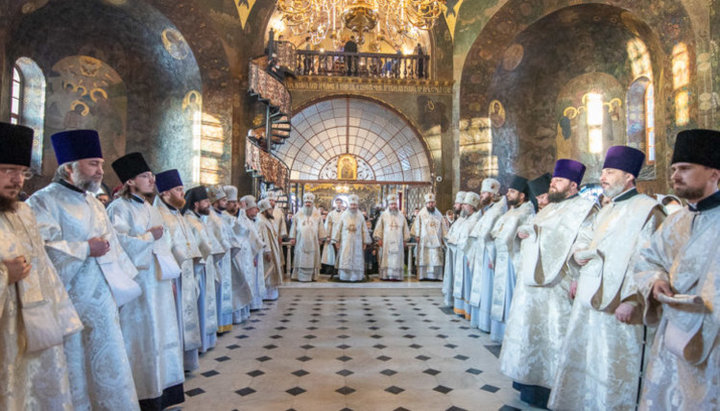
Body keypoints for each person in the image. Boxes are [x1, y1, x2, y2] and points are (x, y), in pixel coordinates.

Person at [28, 129, 140, 409]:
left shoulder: (94, 203)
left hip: (102, 301)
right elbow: (40, 249)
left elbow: (114, 246)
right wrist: (84, 249)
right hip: (69, 303)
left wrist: (123, 288)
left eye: (101, 164)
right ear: (69, 168)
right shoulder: (43, 201)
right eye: (93, 164)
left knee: (108, 365)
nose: (101, 171)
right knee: (74, 367)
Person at [549, 146, 666, 410]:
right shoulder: (606, 210)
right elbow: (588, 242)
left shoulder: (647, 209)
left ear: (629, 177)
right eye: (602, 172)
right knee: (589, 361)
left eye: (610, 172)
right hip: (589, 299)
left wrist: (634, 299)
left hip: (618, 308)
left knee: (612, 368)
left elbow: (649, 259)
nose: (603, 177)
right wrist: (577, 269)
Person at [499, 159, 597, 408]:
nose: (553, 184)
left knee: (554, 337)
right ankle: (528, 384)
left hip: (558, 287)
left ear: (573, 185)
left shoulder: (584, 209)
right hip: (531, 288)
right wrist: (525, 234)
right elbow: (533, 231)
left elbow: (584, 244)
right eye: (553, 180)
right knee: (531, 335)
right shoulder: (551, 208)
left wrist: (577, 277)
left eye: (558, 181)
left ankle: (554, 390)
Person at [634, 129, 720, 409]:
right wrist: (656, 281)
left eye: (684, 168)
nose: (675, 175)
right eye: (673, 169)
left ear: (714, 174)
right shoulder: (675, 222)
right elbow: (648, 258)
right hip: (673, 335)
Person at [0, 123, 82, 410]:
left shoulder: (23, 211)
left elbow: (44, 266)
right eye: (7, 169)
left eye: (22, 171)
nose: (17, 179)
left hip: (36, 329)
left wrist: (60, 320)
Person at [107, 152, 185, 410]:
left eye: (151, 176)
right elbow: (118, 244)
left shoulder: (149, 207)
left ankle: (164, 387)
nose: (152, 180)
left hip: (159, 280)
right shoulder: (119, 208)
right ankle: (143, 392)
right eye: (145, 176)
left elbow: (166, 241)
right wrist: (149, 239)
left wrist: (168, 266)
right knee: (143, 336)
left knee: (162, 332)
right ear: (130, 181)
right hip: (140, 283)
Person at [154, 169, 203, 372]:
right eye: (178, 189)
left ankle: (186, 360)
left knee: (186, 316)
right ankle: (175, 364)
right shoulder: (159, 215)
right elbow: (164, 248)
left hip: (188, 273)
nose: (182, 193)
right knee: (175, 318)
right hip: (173, 275)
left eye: (182, 189)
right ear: (165, 192)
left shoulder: (177, 214)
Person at [488, 175, 534, 342]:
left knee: (510, 294)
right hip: (502, 258)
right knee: (501, 295)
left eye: (512, 191)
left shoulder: (528, 210)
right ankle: (500, 332)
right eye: (508, 191)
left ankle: (511, 333)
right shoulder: (512, 211)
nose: (508, 194)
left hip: (513, 259)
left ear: (522, 195)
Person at [182, 186, 218, 353]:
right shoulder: (188, 220)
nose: (208, 204)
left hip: (205, 268)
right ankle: (200, 342)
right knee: (200, 304)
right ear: (196, 204)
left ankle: (206, 340)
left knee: (205, 303)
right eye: (205, 201)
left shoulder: (198, 220)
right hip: (197, 269)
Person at [467, 178, 506, 331]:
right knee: (481, 286)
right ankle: (481, 320)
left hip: (489, 255)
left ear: (492, 193)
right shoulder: (487, 210)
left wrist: (493, 256)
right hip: (481, 253)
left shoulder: (498, 210)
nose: (481, 195)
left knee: (487, 287)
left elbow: (496, 235)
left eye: (484, 192)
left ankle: (488, 323)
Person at [221, 185, 254, 324]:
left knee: (243, 282)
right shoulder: (223, 217)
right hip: (231, 257)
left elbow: (247, 232)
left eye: (235, 203)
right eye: (231, 203)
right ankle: (233, 316)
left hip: (243, 256)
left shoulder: (240, 216)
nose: (234, 206)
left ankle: (243, 312)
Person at [452, 191, 483, 318]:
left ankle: (468, 310)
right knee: (462, 283)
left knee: (467, 283)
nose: (463, 206)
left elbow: (471, 240)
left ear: (472, 206)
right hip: (461, 254)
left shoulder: (475, 220)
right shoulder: (466, 219)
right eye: (463, 204)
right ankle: (461, 308)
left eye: (465, 204)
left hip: (468, 256)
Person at [332, 194, 371, 282]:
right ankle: (345, 276)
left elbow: (364, 229)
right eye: (351, 205)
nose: (353, 206)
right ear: (348, 205)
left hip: (358, 242)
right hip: (346, 242)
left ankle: (356, 277)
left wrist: (365, 242)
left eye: (355, 205)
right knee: (345, 257)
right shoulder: (344, 215)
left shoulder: (360, 216)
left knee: (356, 258)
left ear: (357, 205)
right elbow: (338, 228)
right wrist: (336, 240)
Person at [289, 193, 326, 282]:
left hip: (313, 241)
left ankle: (313, 276)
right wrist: (292, 237)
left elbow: (321, 227)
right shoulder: (299, 213)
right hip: (301, 240)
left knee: (312, 258)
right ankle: (299, 276)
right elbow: (294, 225)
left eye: (309, 202)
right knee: (300, 257)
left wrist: (321, 237)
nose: (307, 204)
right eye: (306, 202)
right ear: (304, 203)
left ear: (312, 203)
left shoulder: (317, 214)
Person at [411, 193, 448, 281]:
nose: (430, 204)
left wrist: (444, 237)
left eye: (432, 202)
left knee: (435, 258)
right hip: (424, 241)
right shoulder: (421, 214)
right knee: (425, 257)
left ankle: (436, 276)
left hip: (436, 241)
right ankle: (423, 276)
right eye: (429, 203)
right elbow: (417, 225)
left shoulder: (439, 215)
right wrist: (417, 235)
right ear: (426, 203)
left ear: (435, 203)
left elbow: (443, 227)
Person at [373, 194, 410, 280]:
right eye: (391, 204)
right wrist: (379, 238)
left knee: (397, 258)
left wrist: (405, 239)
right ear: (388, 205)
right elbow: (379, 227)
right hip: (387, 241)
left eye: (395, 204)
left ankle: (397, 276)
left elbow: (405, 229)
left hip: (398, 241)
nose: (393, 206)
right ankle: (386, 275)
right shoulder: (384, 215)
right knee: (387, 258)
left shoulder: (401, 216)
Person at [239, 195, 266, 309]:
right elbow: (250, 239)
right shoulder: (244, 221)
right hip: (248, 256)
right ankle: (251, 303)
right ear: (248, 209)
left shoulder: (253, 221)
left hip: (254, 254)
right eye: (255, 208)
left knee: (255, 279)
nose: (257, 210)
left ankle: (255, 302)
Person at [442, 191, 466, 306]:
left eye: (456, 204)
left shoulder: (466, 221)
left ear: (462, 205)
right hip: (452, 254)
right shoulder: (460, 220)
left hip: (459, 255)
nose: (454, 206)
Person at [256, 199, 283, 299]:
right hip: (267, 250)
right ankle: (266, 294)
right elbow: (260, 237)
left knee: (273, 270)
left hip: (273, 248)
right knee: (267, 271)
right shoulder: (260, 221)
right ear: (264, 210)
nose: (271, 211)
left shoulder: (268, 219)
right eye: (269, 209)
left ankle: (272, 293)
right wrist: (267, 250)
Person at [322, 197, 344, 275]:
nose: (338, 204)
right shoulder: (331, 214)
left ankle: (341, 268)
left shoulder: (345, 213)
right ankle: (333, 269)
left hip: (342, 237)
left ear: (342, 204)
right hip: (333, 236)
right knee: (332, 254)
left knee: (342, 253)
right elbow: (328, 225)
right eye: (337, 203)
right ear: (335, 204)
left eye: (340, 203)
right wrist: (328, 235)